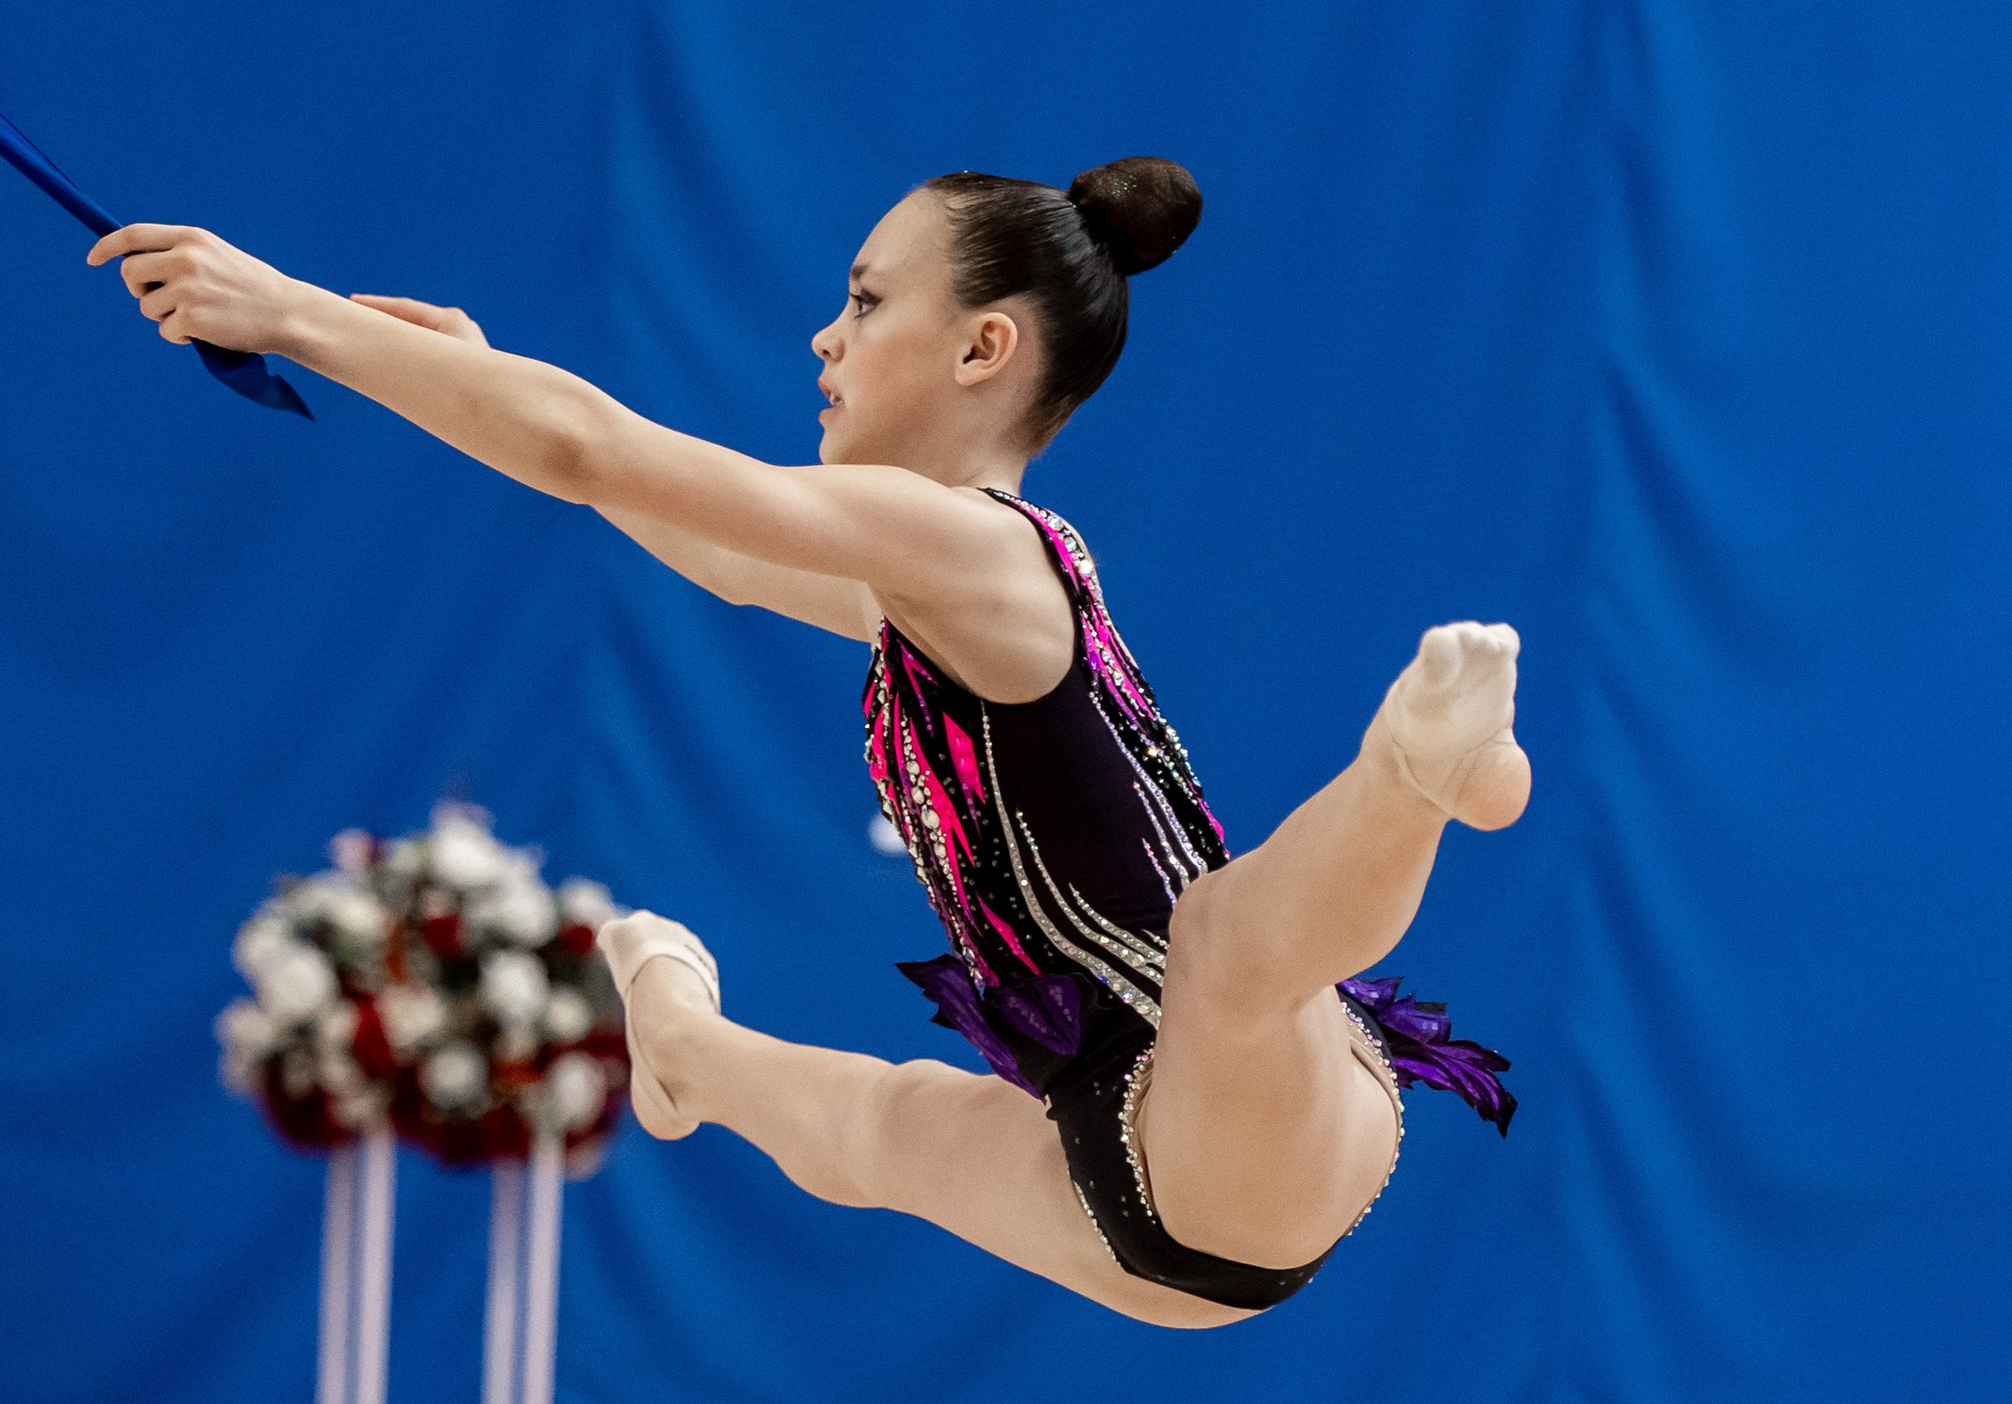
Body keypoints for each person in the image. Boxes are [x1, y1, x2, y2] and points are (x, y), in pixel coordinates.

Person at [92, 161, 1521, 1331]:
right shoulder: (920, 586)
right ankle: (685, 1057)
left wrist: (290, 313)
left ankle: (1411, 773)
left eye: (863, 298)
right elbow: (683, 532)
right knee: (888, 1131)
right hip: (1142, 1195)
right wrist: (445, 368)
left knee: (1230, 952)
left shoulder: (974, 545)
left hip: (1250, 1107)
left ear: (984, 348)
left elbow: (594, 451)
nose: (825, 339)